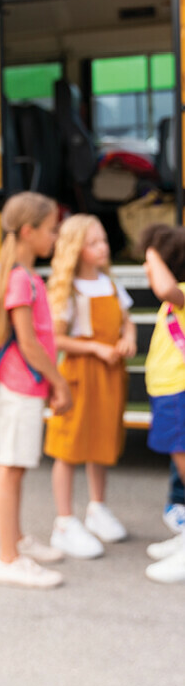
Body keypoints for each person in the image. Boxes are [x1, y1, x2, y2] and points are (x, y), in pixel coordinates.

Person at [0, 192, 72, 589]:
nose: (55, 237)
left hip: (23, 387)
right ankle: (7, 557)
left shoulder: (22, 276)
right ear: (28, 231)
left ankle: (16, 540)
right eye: (52, 229)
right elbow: (30, 342)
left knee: (15, 468)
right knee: (10, 468)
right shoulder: (22, 279)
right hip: (21, 386)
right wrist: (58, 381)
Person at [44, 214, 136, 558]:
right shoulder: (69, 290)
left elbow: (127, 322)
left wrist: (127, 339)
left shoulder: (110, 284)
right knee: (69, 446)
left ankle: (97, 508)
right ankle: (64, 521)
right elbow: (57, 338)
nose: (103, 247)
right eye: (94, 242)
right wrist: (96, 347)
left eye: (104, 240)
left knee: (102, 438)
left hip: (110, 374)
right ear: (76, 249)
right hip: (81, 375)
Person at [139, 223, 185, 584]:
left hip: (179, 392)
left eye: (149, 262)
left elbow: (164, 286)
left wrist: (152, 249)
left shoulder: (179, 291)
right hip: (170, 393)